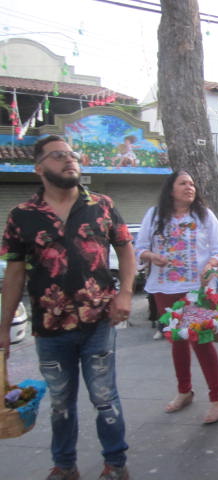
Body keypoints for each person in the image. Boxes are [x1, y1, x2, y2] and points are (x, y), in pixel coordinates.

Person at [0, 135, 134, 480]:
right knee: (60, 402)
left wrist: (125, 293)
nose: (69, 160)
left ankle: (116, 464)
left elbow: (126, 249)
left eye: (72, 154)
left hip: (98, 322)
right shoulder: (22, 216)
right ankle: (64, 466)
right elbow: (14, 272)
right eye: (59, 156)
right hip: (50, 328)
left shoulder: (102, 204)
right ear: (39, 167)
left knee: (105, 397)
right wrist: (3, 325)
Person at [135, 171, 218, 425]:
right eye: (183, 183)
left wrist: (211, 264)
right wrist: (153, 257)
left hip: (195, 289)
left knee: (201, 340)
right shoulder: (154, 216)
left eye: (192, 183)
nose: (190, 187)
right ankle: (184, 391)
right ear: (170, 189)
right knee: (176, 340)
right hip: (164, 288)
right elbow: (139, 248)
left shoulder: (204, 216)